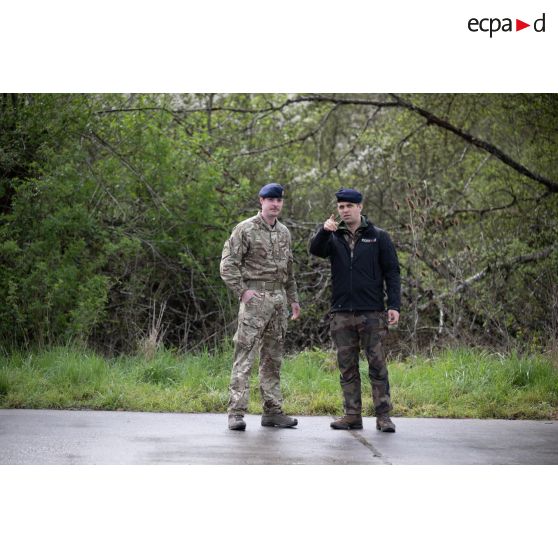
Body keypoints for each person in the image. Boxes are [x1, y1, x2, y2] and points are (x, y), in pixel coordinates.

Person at [309, 188, 401, 432]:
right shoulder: (333, 236)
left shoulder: (378, 236)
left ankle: (383, 417)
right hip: (341, 313)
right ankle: (352, 415)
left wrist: (394, 305)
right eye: (341, 207)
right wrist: (323, 231)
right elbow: (315, 250)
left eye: (349, 206)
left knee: (377, 366)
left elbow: (392, 272)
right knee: (347, 367)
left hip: (371, 312)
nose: (345, 210)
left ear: (360, 207)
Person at [220, 183, 301, 431]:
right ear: (261, 201)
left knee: (273, 357)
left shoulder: (284, 232)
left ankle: (273, 410)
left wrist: (293, 299)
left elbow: (289, 270)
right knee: (245, 354)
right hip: (255, 299)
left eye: (279, 200)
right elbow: (227, 265)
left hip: (278, 299)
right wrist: (243, 291)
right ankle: (236, 412)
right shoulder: (245, 229)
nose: (275, 204)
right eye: (270, 199)